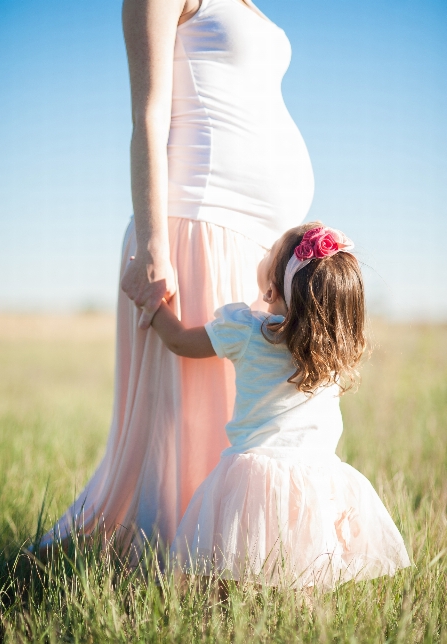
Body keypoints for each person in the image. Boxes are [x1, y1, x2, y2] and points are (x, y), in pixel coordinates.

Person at [38, 0, 314, 556]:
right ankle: (167, 560)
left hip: (260, 244)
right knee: (190, 417)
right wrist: (153, 243)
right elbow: (148, 113)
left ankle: (231, 555)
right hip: (196, 222)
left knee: (249, 415)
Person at [151, 223, 411, 589]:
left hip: (253, 478)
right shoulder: (332, 351)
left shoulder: (246, 331)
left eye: (270, 251)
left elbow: (179, 341)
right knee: (305, 573)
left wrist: (152, 304)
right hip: (315, 478)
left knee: (223, 572)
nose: (265, 252)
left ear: (271, 289)